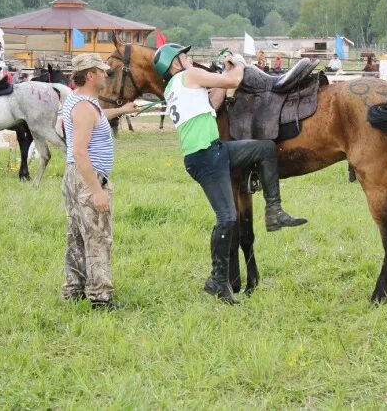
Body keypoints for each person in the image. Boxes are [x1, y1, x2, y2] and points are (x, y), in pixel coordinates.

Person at [154, 43, 307, 304]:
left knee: (265, 149)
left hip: (214, 151)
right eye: (185, 57)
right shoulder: (187, 76)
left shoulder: (174, 87)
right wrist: (238, 63)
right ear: (175, 65)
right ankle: (217, 280)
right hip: (206, 157)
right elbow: (233, 80)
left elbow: (213, 102)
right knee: (227, 218)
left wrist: (225, 78)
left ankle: (274, 211)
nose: (189, 59)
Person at [61, 53, 137, 310]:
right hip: (87, 177)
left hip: (75, 175)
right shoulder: (83, 107)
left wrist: (122, 110)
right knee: (97, 236)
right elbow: (81, 150)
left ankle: (74, 290)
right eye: (102, 71)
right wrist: (97, 190)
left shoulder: (80, 101)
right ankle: (100, 298)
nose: (107, 74)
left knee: (77, 236)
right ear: (90, 75)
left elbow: (95, 117)